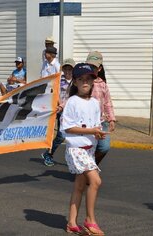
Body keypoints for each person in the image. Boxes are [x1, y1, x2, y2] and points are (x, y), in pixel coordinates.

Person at [61, 63, 107, 235]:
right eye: (81, 79)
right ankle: (90, 220)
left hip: (89, 149)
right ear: (75, 82)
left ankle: (72, 223)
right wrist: (91, 131)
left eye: (88, 79)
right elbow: (68, 127)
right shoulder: (72, 102)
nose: (85, 82)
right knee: (95, 181)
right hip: (76, 149)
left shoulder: (95, 103)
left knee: (79, 186)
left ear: (93, 81)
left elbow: (96, 125)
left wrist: (98, 133)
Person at [40, 58, 75, 166]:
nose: (68, 71)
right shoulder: (60, 80)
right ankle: (48, 154)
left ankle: (75, 159)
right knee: (61, 136)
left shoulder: (77, 81)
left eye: (70, 69)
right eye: (66, 69)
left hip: (73, 111)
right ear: (63, 69)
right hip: (61, 110)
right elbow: (56, 93)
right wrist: (60, 105)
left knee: (75, 136)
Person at [86, 51, 116, 165]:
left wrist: (111, 119)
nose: (92, 68)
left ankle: (92, 165)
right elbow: (72, 98)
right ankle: (87, 171)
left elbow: (107, 103)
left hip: (101, 122)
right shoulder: (82, 81)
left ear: (99, 68)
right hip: (86, 123)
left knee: (104, 147)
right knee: (87, 148)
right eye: (90, 66)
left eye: (94, 66)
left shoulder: (103, 84)